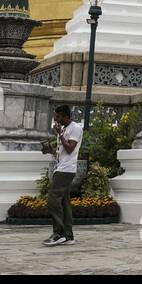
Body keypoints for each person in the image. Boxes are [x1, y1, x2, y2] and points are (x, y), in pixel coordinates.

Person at [44, 105, 83, 247]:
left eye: (58, 117)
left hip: (66, 170)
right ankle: (68, 236)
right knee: (64, 203)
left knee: (52, 199)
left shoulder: (75, 128)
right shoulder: (65, 128)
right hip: (60, 167)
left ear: (67, 116)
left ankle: (59, 233)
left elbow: (70, 148)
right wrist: (50, 150)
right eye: (55, 117)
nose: (56, 120)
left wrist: (60, 134)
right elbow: (63, 151)